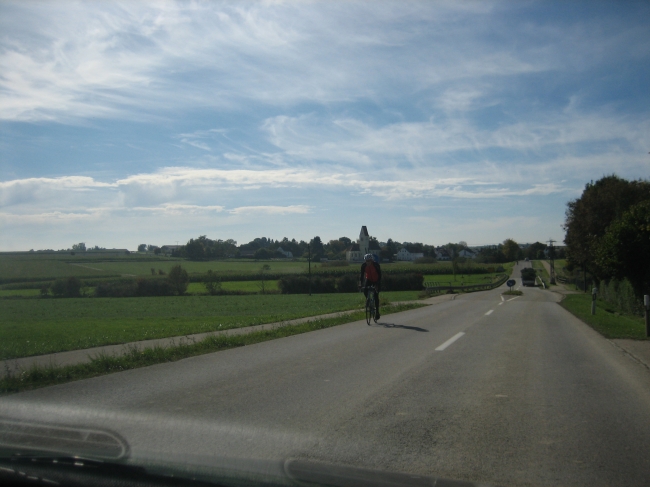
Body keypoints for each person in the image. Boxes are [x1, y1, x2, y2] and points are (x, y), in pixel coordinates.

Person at [359, 253, 381, 319]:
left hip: (376, 280)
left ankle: (377, 312)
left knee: (376, 295)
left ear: (372, 260)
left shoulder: (376, 265)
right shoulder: (363, 266)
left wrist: (377, 284)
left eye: (369, 261)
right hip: (368, 280)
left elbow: (380, 275)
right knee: (365, 290)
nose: (367, 262)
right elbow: (362, 275)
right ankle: (368, 300)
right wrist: (360, 284)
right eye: (366, 261)